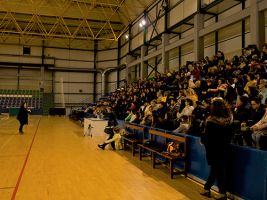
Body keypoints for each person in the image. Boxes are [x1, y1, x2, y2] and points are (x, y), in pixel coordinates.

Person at [200, 97, 233, 200]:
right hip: (224, 148)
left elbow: (207, 137)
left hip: (213, 149)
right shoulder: (229, 119)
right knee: (217, 170)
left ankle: (222, 193)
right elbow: (230, 135)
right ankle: (207, 188)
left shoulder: (210, 121)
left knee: (218, 171)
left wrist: (203, 139)